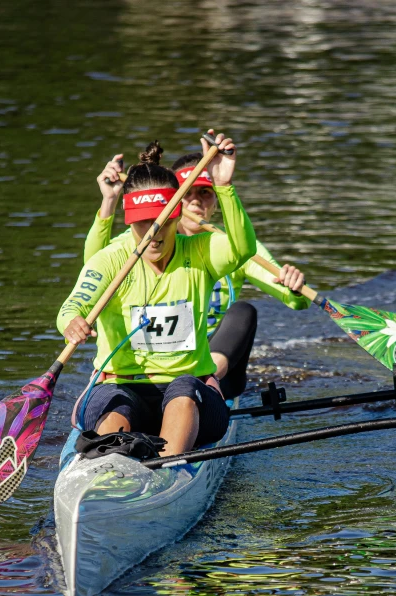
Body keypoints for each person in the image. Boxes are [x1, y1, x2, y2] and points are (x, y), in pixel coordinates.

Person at [57, 131, 257, 457]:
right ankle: (107, 467)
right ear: (128, 220)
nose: (152, 235)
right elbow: (73, 305)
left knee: (183, 392)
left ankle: (167, 470)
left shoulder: (202, 251)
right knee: (116, 408)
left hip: (189, 390)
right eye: (142, 223)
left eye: (161, 222)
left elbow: (243, 248)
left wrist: (224, 186)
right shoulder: (111, 259)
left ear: (176, 216)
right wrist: (72, 322)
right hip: (121, 384)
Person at [83, 151, 310, 400]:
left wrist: (294, 287)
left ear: (215, 201)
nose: (195, 203)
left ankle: (207, 383)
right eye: (187, 193)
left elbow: (295, 301)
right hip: (147, 366)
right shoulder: (143, 243)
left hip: (211, 361)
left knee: (243, 310)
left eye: (205, 193)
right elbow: (94, 270)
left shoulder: (229, 246)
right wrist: (108, 203)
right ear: (173, 201)